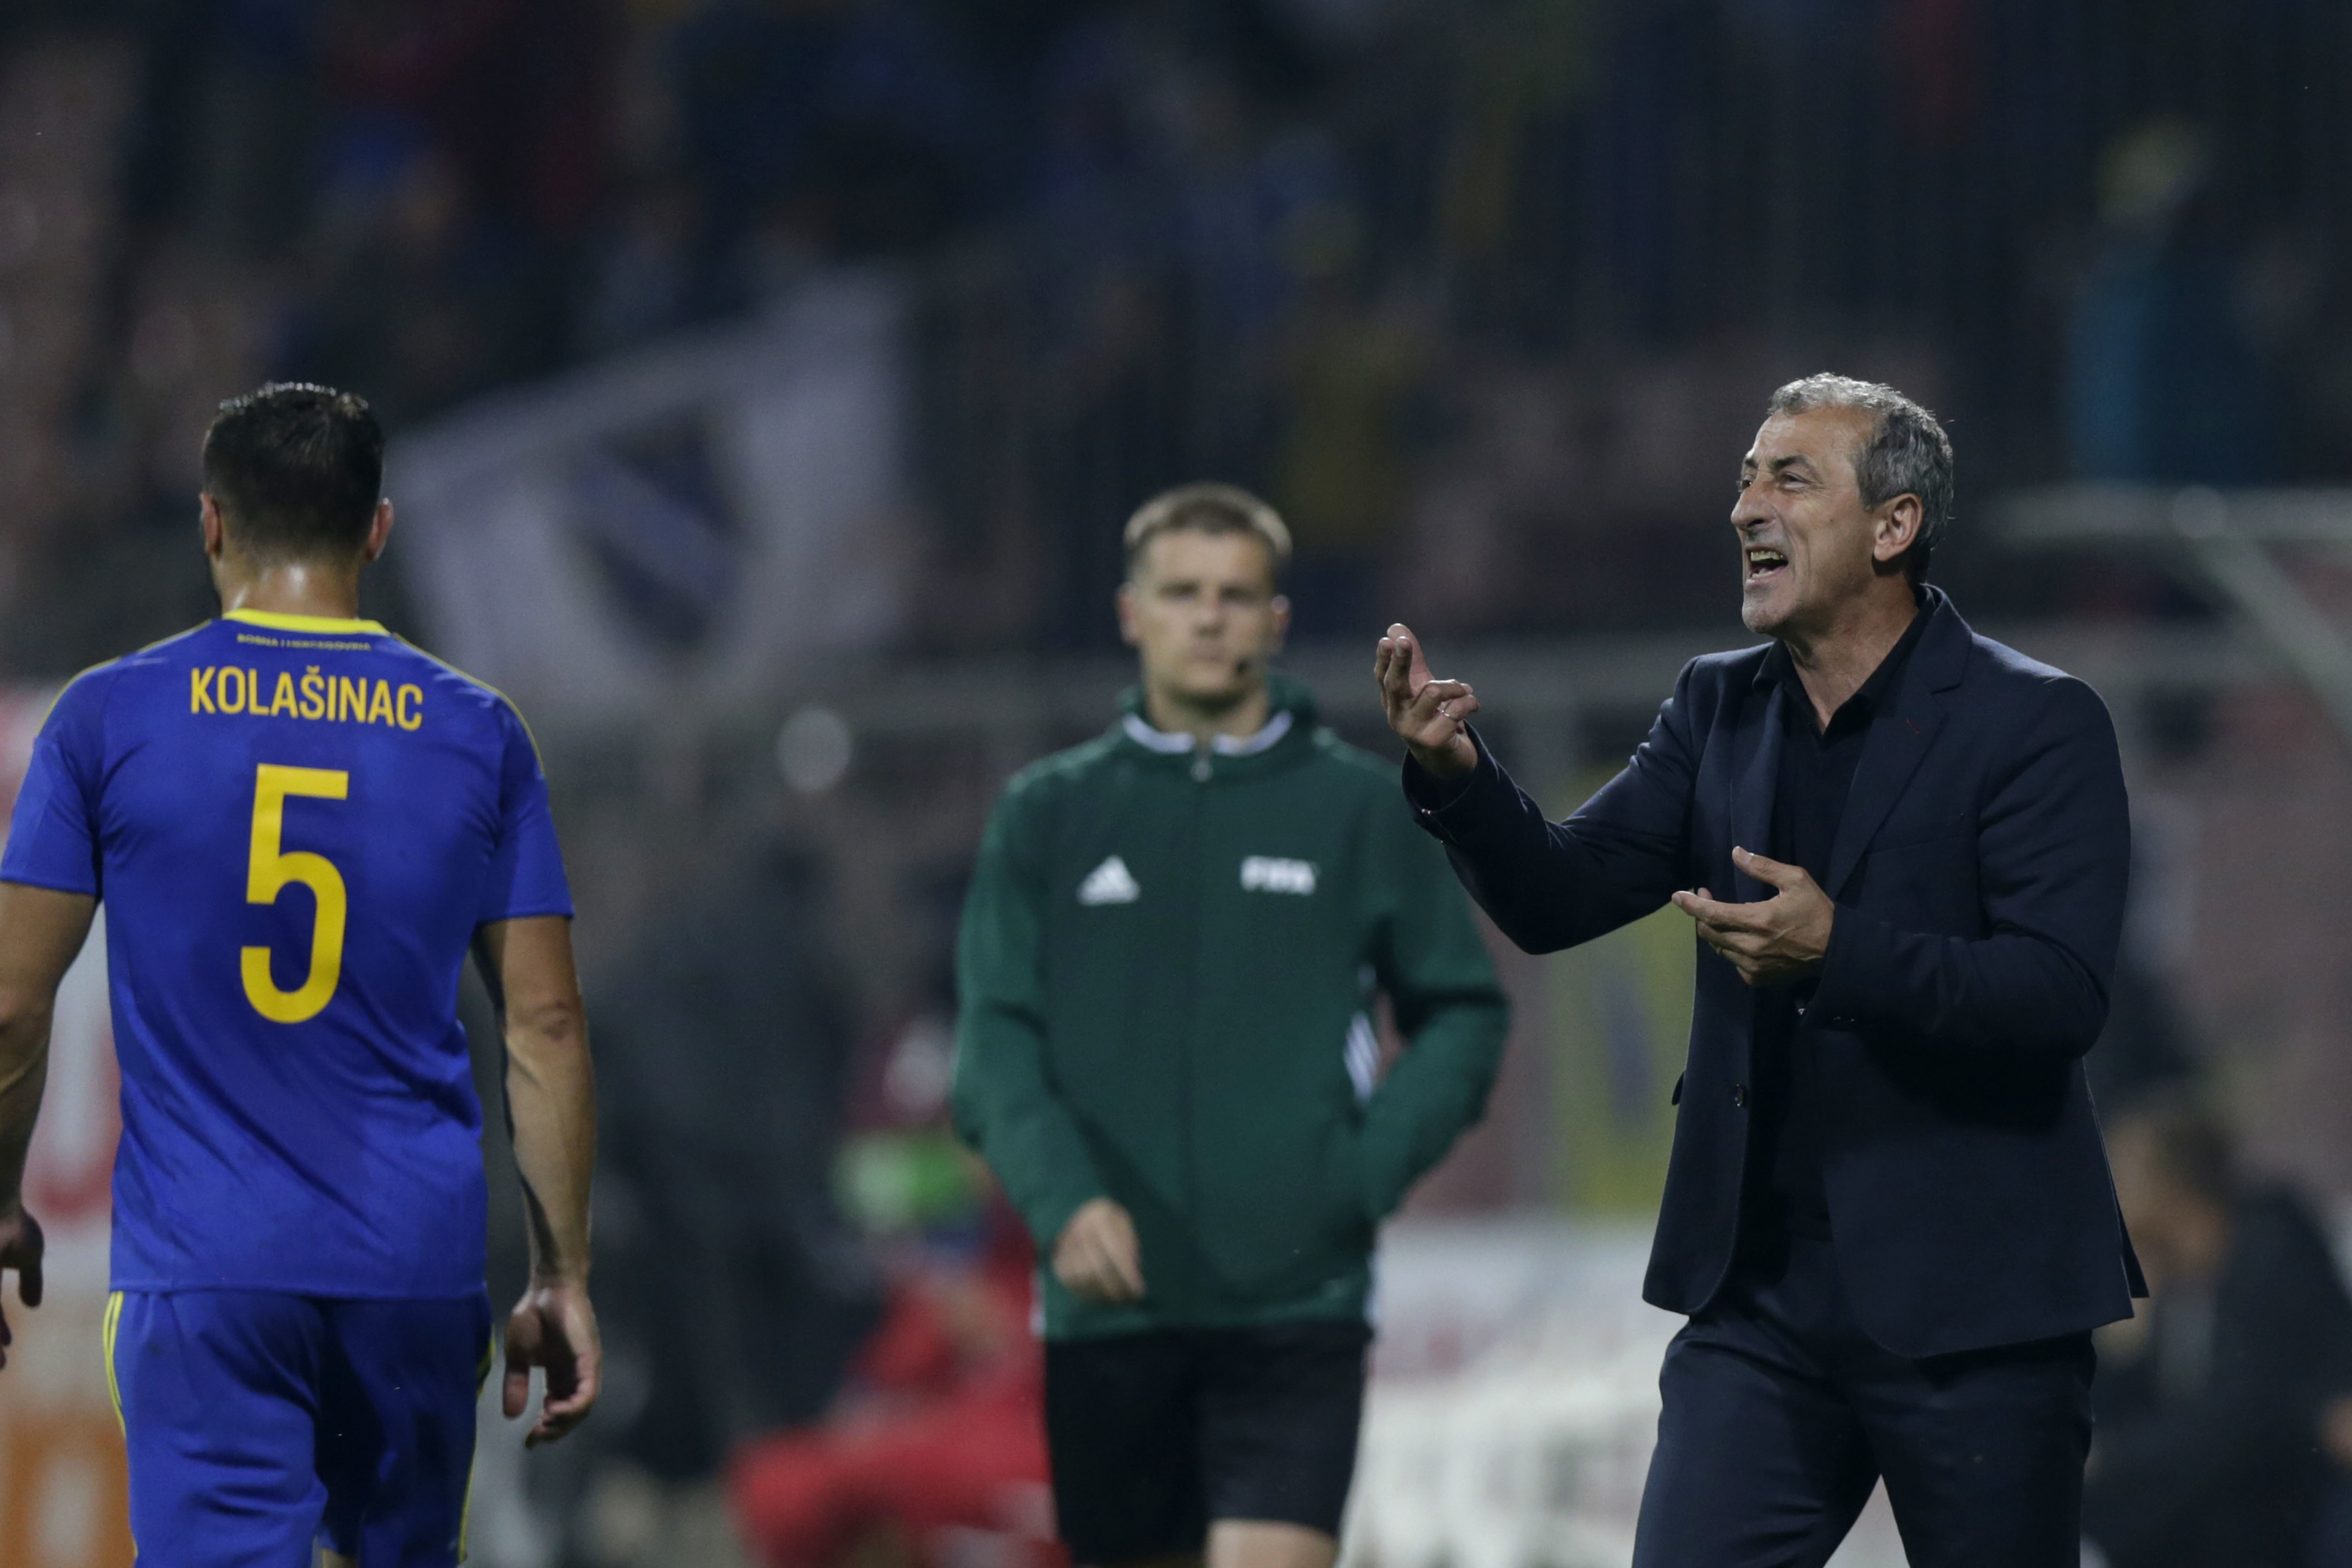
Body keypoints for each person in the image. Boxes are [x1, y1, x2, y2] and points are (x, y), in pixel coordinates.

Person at [1377, 374, 2141, 1568]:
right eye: (1744, 476)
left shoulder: (2036, 722)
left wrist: (1840, 951)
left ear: (1895, 527)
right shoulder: (1715, 707)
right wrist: (1462, 782)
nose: (1746, 507)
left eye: (1791, 478)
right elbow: (1560, 897)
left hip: (1978, 1313)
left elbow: (2058, 996)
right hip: (1764, 1306)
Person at [0, 383, 599, 1565]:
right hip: (414, 1273)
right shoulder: (480, 734)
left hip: (206, 1274)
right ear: (377, 531)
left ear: (212, 526)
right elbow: (547, 1024)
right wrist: (562, 1274)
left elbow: (14, 1003)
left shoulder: (108, 721)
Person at [953, 483, 1510, 1568]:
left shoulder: (1355, 809)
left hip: (1296, 1302)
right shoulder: (1047, 813)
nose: (1208, 615)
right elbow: (994, 1043)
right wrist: (1062, 1203)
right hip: (1106, 1311)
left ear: (1275, 620)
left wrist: (1352, 1182)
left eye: (1234, 593)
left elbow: (1462, 1013)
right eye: (1181, 592)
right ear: (1131, 612)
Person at [2084, 1093, 2352, 1568]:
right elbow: (2143, 1403)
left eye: (2123, 1174)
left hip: (2298, 1485)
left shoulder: (2268, 1246)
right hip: (2239, 1494)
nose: (2110, 1193)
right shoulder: (2175, 1282)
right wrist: (2124, 1343)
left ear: (2172, 1184)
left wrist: (2111, 1458)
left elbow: (2245, 1411)